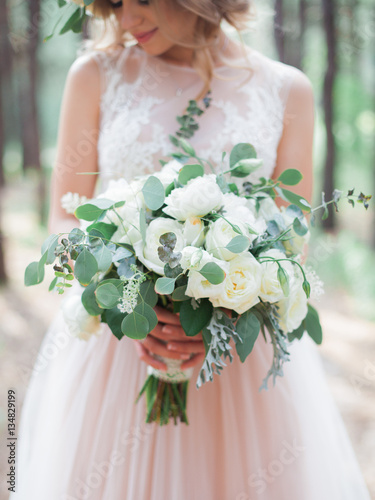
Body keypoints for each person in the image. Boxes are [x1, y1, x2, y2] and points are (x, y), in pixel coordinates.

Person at [11, 1, 371, 499]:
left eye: (139, 0)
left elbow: (292, 239)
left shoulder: (287, 90)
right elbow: (64, 219)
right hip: (116, 347)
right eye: (112, 3)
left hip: (238, 360)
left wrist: (217, 320)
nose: (125, 19)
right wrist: (129, 300)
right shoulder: (95, 74)